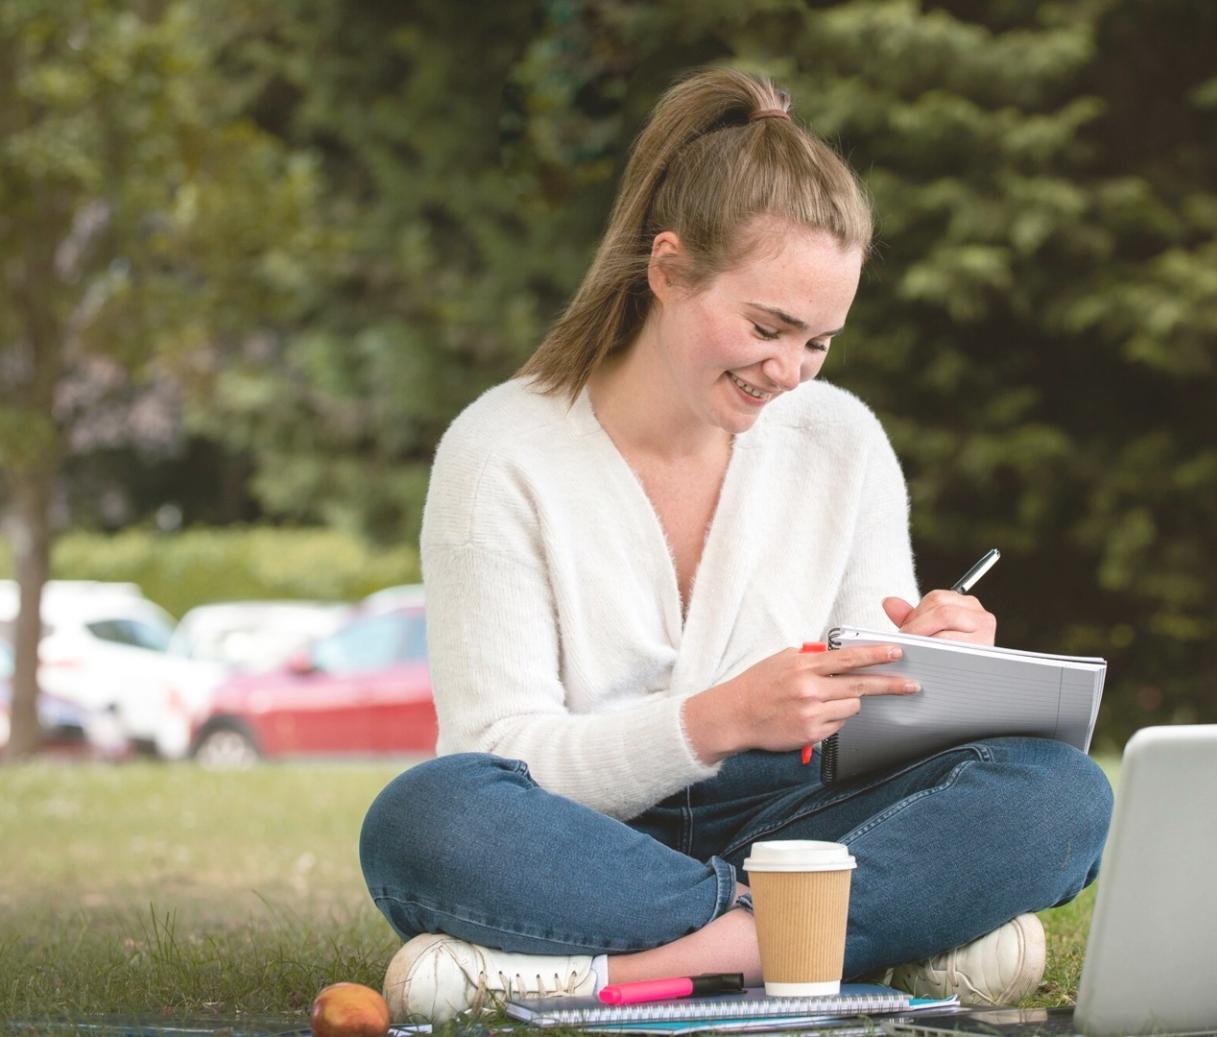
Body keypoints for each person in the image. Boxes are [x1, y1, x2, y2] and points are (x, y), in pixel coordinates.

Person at [358, 66, 1114, 1025]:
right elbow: (497, 752)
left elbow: (865, 734)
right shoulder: (500, 451)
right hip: (581, 835)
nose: (788, 371)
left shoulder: (842, 440)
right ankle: (871, 943)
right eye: (768, 327)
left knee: (1057, 793)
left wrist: (935, 669)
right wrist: (715, 718)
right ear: (667, 269)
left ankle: (644, 968)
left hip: (791, 827)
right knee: (427, 818)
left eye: (819, 343)